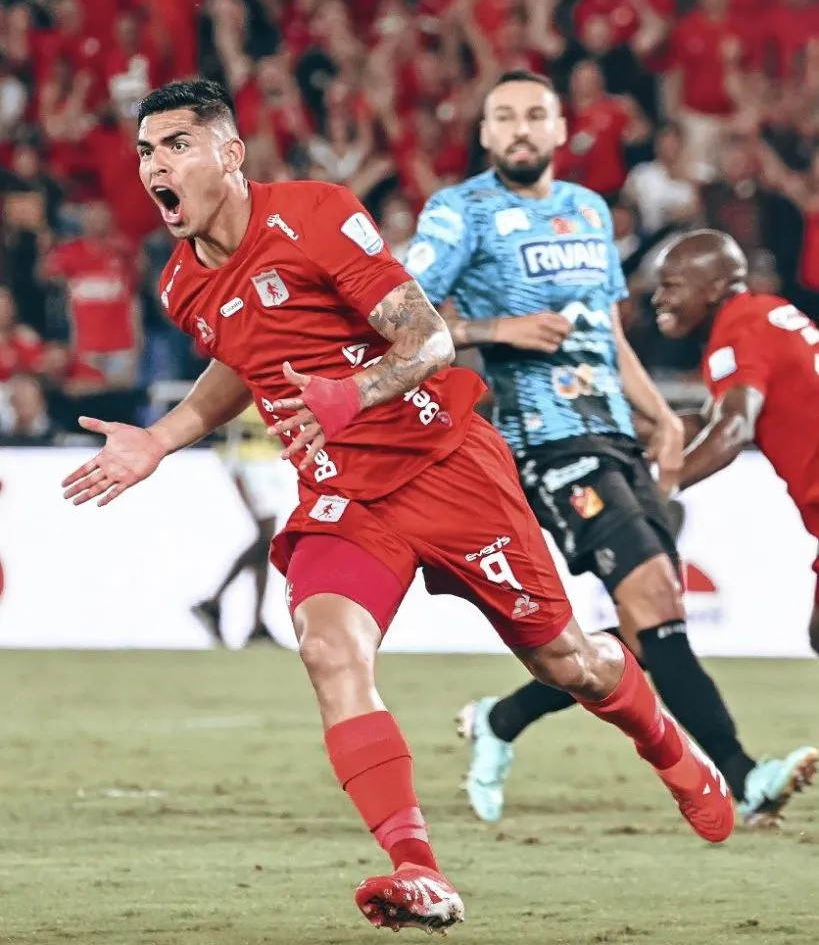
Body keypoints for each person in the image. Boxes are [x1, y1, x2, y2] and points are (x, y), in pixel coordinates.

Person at [62, 78, 733, 936]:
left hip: (444, 463)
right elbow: (242, 354)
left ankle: (673, 755)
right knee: (327, 648)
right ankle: (417, 869)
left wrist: (354, 392)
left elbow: (428, 336)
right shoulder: (180, 285)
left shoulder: (313, 212)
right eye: (147, 151)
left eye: (177, 145)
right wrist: (162, 438)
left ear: (229, 154)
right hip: (343, 494)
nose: (158, 164)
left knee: (567, 662)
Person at [405, 68, 813, 829]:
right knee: (657, 601)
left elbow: (604, 332)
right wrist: (493, 332)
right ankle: (743, 777)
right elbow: (393, 308)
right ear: (486, 133)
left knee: (636, 631)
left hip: (616, 435)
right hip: (549, 445)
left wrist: (658, 416)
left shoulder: (587, 210)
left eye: (535, 115)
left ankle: (501, 720)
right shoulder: (458, 213)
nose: (520, 128)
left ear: (561, 131)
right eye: (504, 117)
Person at [653, 227, 819, 679]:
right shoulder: (767, 315)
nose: (658, 299)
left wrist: (662, 489)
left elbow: (733, 428)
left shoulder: (740, 332)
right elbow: (713, 418)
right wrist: (642, 425)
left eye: (671, 285)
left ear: (713, 288)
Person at [191, 405, 297, 646]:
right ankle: (215, 602)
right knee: (267, 536)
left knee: (267, 540)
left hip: (267, 456)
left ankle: (255, 623)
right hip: (245, 456)